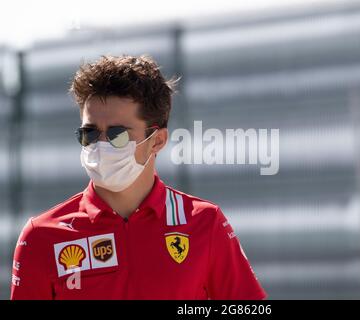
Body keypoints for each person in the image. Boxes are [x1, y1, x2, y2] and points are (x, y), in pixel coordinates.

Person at [10, 55, 267, 300]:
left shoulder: (204, 222)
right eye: (88, 133)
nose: (99, 145)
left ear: (157, 141)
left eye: (117, 134)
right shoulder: (41, 236)